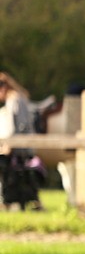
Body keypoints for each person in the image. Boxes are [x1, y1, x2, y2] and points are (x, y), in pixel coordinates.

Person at [0, 72, 44, 210]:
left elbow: (17, 126)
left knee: (16, 174)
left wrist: (9, 144)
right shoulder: (18, 99)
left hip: (19, 146)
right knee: (25, 175)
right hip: (21, 145)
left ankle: (10, 202)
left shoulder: (14, 101)